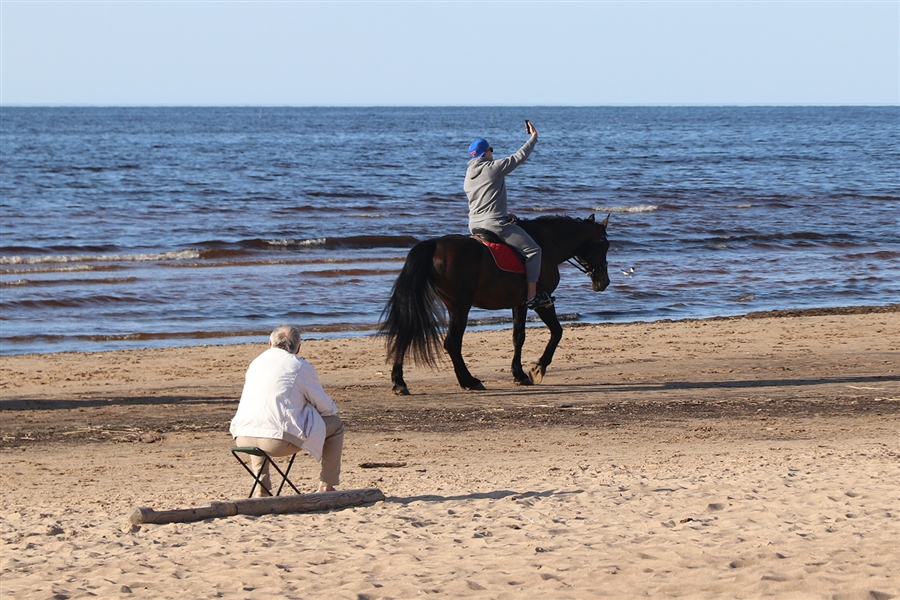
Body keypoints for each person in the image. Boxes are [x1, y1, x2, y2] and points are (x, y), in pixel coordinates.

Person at [230, 324, 344, 496]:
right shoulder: (300, 366)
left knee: (261, 420)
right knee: (335, 425)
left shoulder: (256, 363)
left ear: (270, 343)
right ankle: (326, 485)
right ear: (298, 348)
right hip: (276, 443)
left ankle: (261, 487)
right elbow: (326, 408)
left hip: (242, 436)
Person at [464, 119, 553, 309]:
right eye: (491, 150)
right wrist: (534, 138)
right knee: (534, 251)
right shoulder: (492, 168)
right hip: (494, 224)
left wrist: (504, 213)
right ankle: (532, 296)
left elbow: (482, 201)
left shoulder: (468, 176)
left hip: (474, 225)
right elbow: (519, 156)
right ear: (485, 153)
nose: (492, 153)